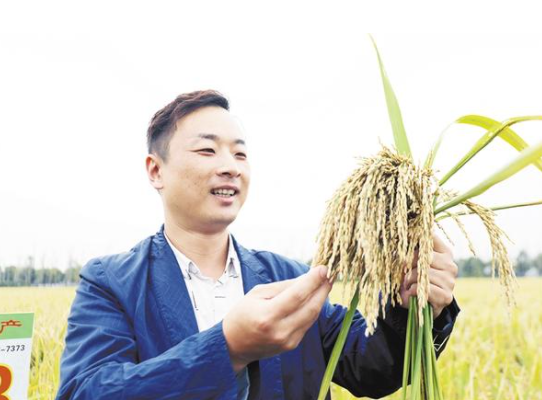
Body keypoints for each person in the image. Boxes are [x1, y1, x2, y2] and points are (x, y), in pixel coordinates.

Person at [56, 90, 460, 400]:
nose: (230, 166)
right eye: (207, 150)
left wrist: (412, 306)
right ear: (155, 170)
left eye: (240, 154)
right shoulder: (111, 283)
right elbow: (86, 391)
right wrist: (227, 348)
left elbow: (373, 366)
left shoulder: (290, 277)